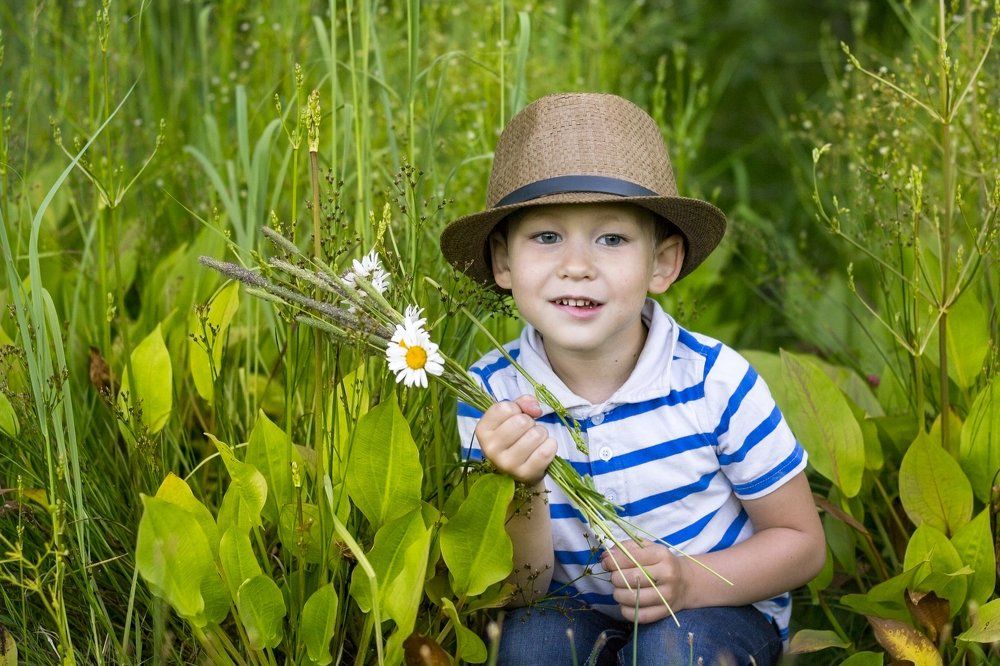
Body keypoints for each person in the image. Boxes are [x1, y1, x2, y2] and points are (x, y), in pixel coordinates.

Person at [439, 93, 826, 665]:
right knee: (528, 644)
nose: (577, 265)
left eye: (612, 239)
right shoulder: (491, 399)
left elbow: (802, 544)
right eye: (546, 237)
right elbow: (518, 591)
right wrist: (520, 487)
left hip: (716, 608)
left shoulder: (713, 381)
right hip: (567, 605)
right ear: (503, 262)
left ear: (662, 264)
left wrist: (689, 582)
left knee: (677, 649)